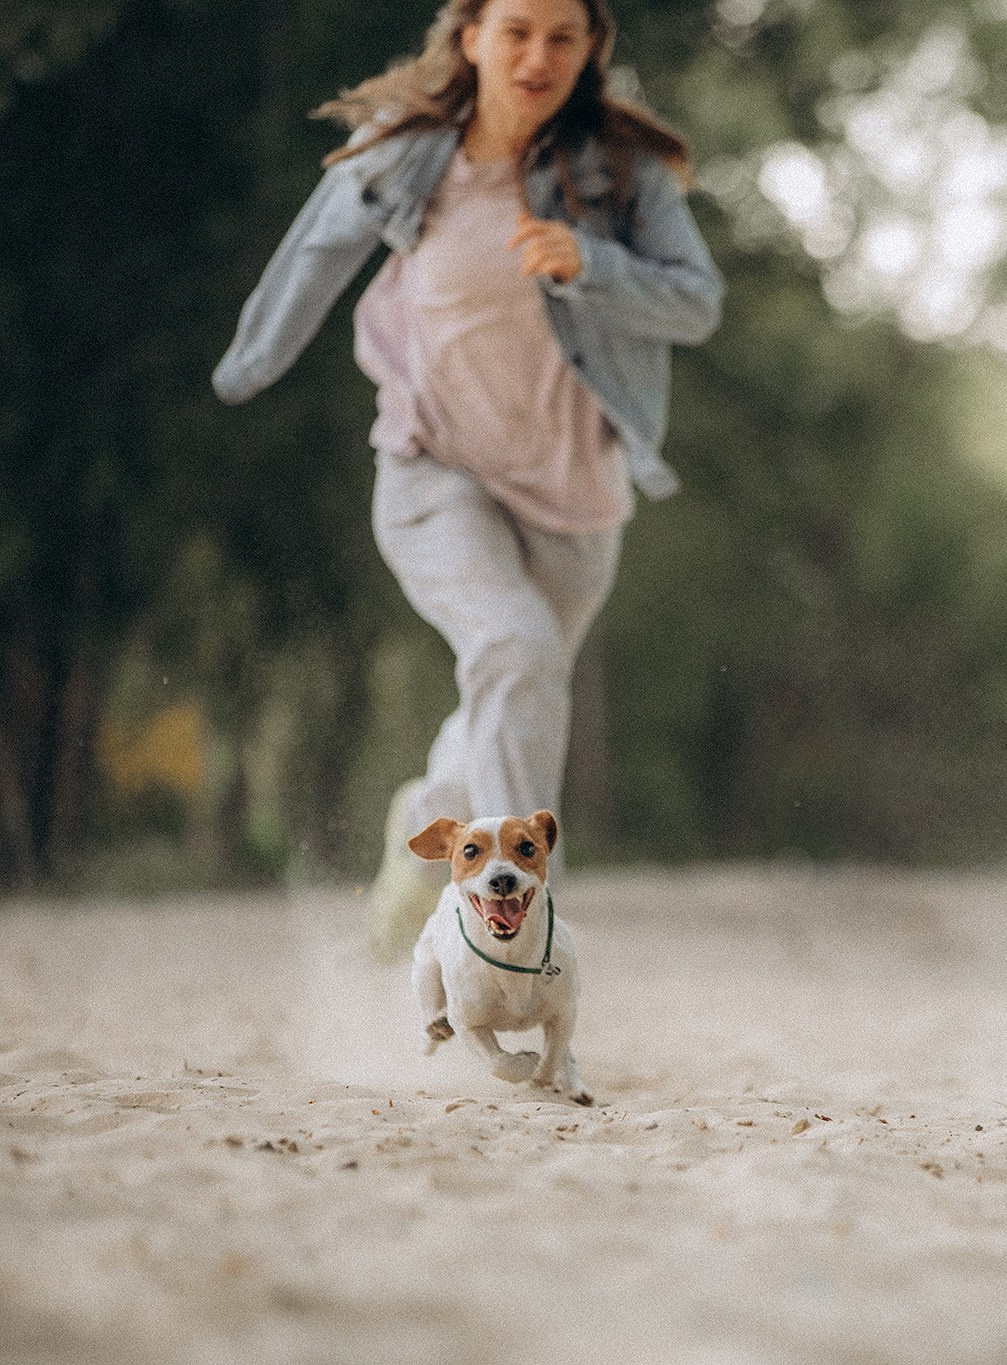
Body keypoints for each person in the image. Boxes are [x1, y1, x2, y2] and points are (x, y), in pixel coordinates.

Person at [213, 0, 723, 960]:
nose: (538, 55)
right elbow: (316, 252)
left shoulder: (619, 171)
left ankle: (427, 828)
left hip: (575, 494)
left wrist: (594, 264)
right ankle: (516, 935)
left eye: (562, 36)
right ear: (471, 36)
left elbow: (697, 302)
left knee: (515, 688)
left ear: (591, 49)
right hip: (433, 469)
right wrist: (247, 365)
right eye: (517, 29)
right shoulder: (408, 155)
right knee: (516, 650)